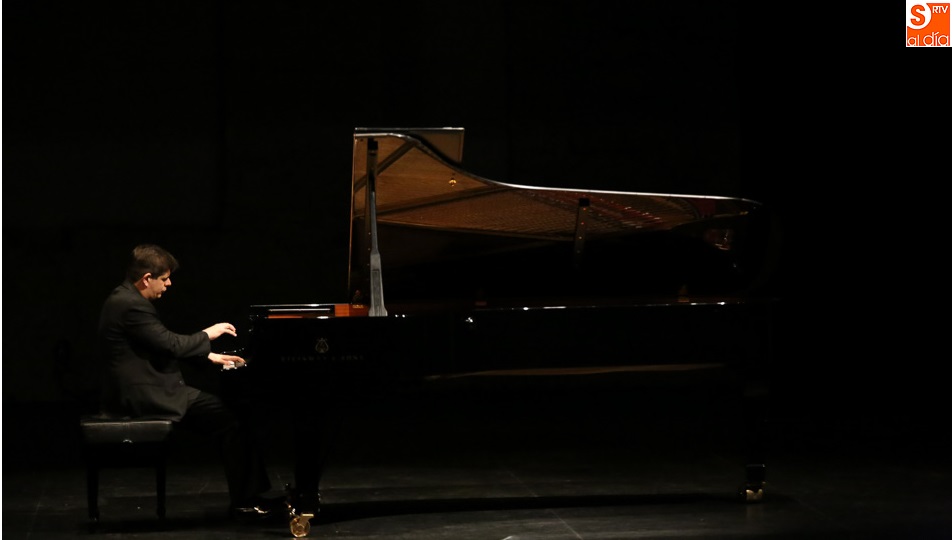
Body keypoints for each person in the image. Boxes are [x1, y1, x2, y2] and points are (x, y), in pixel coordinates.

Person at [97, 243, 278, 518]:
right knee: (232, 419)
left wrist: (212, 357)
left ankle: (250, 495)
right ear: (147, 278)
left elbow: (159, 345)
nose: (169, 284)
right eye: (165, 278)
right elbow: (170, 344)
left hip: (148, 388)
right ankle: (245, 500)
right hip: (146, 395)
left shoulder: (125, 299)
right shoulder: (131, 306)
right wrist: (209, 333)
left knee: (232, 417)